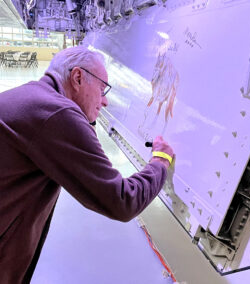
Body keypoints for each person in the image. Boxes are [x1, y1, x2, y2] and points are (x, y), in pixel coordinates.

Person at [0, 46, 174, 284]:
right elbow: (122, 200)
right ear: (78, 78)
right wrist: (160, 161)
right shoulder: (58, 113)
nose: (105, 101)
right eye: (103, 89)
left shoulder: (32, 96)